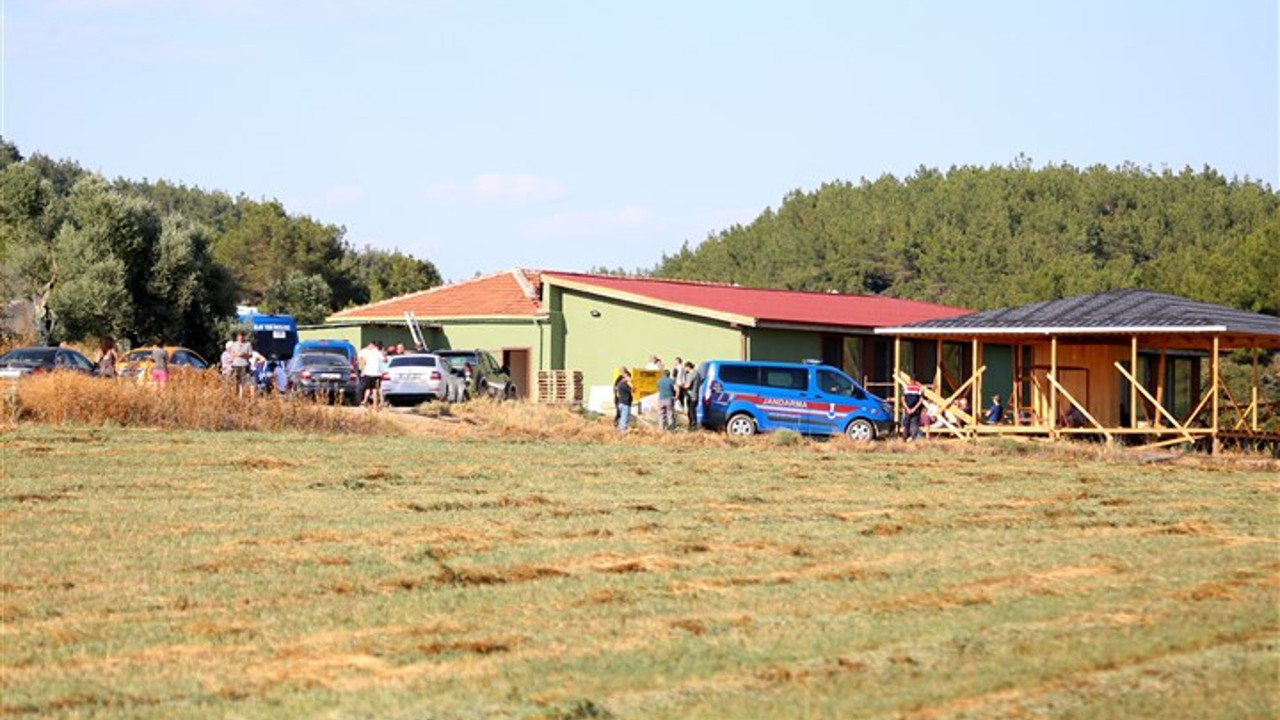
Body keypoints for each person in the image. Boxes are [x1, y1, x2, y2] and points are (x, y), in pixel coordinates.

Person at [358, 340, 385, 407]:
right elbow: (384, 360)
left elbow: (362, 360)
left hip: (367, 373)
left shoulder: (366, 352)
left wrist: (363, 369)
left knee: (368, 388)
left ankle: (364, 401)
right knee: (375, 389)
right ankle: (375, 405)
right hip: (376, 374)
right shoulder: (378, 352)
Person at [227, 331, 253, 395]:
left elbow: (250, 355)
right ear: (237, 337)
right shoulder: (234, 344)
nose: (240, 338)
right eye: (239, 336)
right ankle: (236, 396)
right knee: (236, 382)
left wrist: (244, 354)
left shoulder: (248, 344)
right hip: (235, 365)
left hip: (244, 365)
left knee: (244, 382)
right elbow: (232, 355)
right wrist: (237, 354)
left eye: (241, 336)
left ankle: (243, 396)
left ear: (244, 337)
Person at [901, 374, 924, 440]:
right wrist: (914, 408)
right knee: (913, 424)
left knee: (907, 424)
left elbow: (902, 399)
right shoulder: (919, 388)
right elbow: (920, 400)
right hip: (914, 409)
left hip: (909, 409)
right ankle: (912, 438)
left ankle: (905, 439)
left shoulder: (906, 387)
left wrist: (907, 408)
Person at [682, 361, 701, 429]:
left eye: (685, 368)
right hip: (696, 395)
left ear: (687, 367)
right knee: (693, 411)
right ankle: (693, 425)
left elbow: (688, 385)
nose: (684, 369)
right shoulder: (698, 374)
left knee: (691, 412)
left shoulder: (692, 374)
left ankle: (693, 426)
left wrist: (681, 386)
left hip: (691, 396)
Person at [614, 367, 633, 433]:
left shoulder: (618, 384)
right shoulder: (625, 385)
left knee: (621, 417)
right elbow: (633, 390)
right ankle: (622, 431)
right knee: (624, 417)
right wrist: (630, 381)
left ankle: (619, 429)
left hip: (620, 402)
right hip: (625, 403)